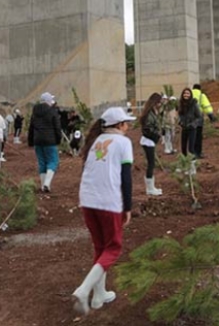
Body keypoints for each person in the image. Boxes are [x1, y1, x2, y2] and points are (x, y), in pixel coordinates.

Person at [72, 107, 135, 316]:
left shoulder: (95, 142)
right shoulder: (123, 143)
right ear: (119, 125)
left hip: (88, 200)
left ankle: (99, 295)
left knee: (100, 247)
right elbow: (126, 178)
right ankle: (84, 289)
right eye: (126, 123)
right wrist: (127, 207)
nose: (128, 126)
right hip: (109, 201)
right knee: (114, 248)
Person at [28, 92, 62, 192]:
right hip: (50, 140)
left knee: (42, 162)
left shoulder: (35, 112)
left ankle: (43, 185)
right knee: (53, 161)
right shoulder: (52, 111)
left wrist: (30, 141)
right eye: (51, 100)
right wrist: (58, 139)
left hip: (38, 140)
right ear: (47, 101)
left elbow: (31, 128)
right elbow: (57, 127)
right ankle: (47, 184)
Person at [139, 93, 163, 196]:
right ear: (155, 102)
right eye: (159, 102)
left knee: (151, 164)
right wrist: (157, 135)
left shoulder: (152, 112)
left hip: (150, 141)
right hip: (148, 141)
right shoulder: (149, 114)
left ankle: (151, 187)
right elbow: (148, 129)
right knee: (151, 164)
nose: (160, 104)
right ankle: (149, 188)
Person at [178, 88, 201, 175]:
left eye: (187, 94)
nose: (186, 95)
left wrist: (193, 124)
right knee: (183, 148)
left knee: (191, 148)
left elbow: (199, 117)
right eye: (184, 94)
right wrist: (180, 122)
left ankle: (192, 168)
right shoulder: (181, 104)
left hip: (192, 129)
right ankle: (184, 166)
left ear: (190, 94)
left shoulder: (194, 104)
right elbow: (180, 115)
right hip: (184, 128)